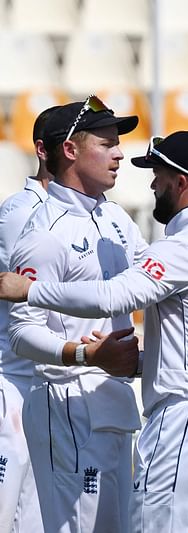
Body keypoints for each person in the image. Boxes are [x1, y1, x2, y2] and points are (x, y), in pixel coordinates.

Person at [0, 131, 188, 532]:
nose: (152, 183)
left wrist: (30, 289)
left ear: (181, 181)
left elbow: (114, 296)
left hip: (182, 421)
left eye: (157, 173)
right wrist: (133, 363)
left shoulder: (174, 246)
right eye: (107, 144)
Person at [7, 96, 148, 533]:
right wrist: (86, 357)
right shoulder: (44, 231)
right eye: (106, 143)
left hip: (111, 403)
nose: (119, 153)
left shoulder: (117, 218)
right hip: (67, 404)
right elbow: (20, 334)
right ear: (70, 150)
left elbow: (153, 284)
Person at [0, 106, 58, 533]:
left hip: (47, 386)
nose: (112, 152)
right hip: (16, 384)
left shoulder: (86, 214)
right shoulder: (23, 211)